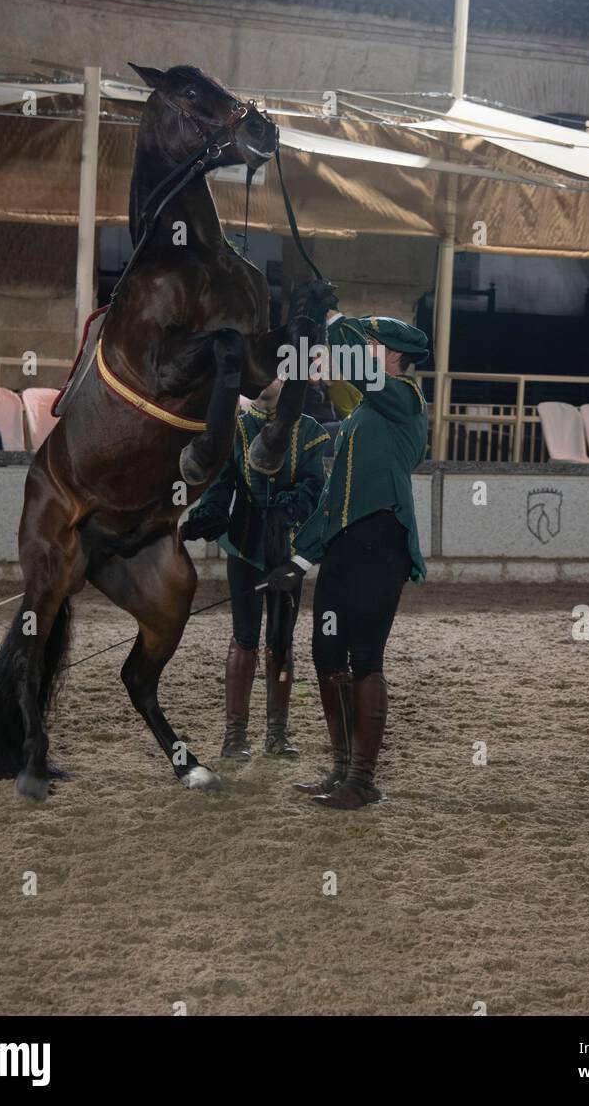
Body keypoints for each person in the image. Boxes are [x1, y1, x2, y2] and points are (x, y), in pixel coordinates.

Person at [267, 308, 430, 810]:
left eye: (374, 343)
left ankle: (362, 780)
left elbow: (355, 363)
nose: (366, 349)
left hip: (381, 545)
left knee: (365, 660)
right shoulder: (366, 412)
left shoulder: (403, 398)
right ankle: (340, 770)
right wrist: (298, 559)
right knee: (327, 656)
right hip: (343, 548)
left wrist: (335, 316)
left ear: (395, 355)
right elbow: (335, 498)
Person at [181, 378, 330, 761]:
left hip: (286, 552)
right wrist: (209, 515)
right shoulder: (238, 427)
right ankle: (235, 737)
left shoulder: (310, 431)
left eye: (273, 374)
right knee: (243, 638)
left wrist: (287, 507)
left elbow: (316, 487)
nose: (264, 382)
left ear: (287, 379)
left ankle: (277, 735)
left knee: (281, 641)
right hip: (245, 549)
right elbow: (222, 484)